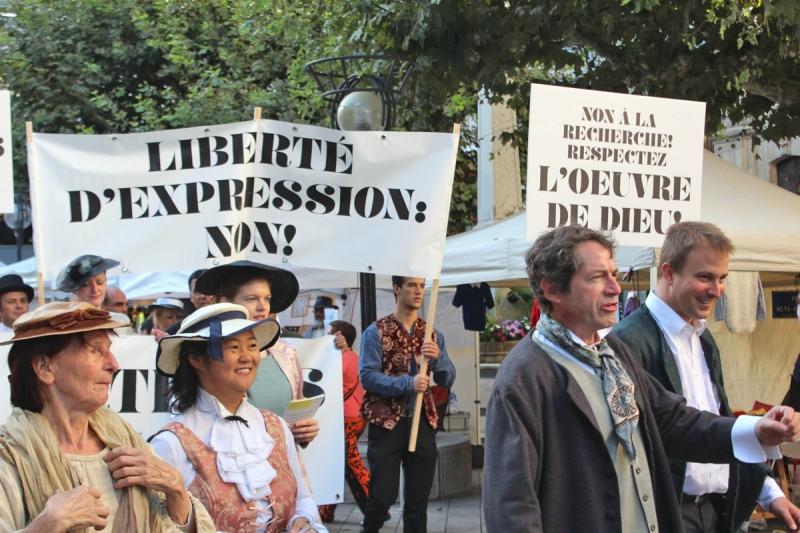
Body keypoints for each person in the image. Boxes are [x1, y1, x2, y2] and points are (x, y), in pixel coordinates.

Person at [483, 224, 800, 533]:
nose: (615, 288)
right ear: (552, 289)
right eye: (597, 277)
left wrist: (755, 430)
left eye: (614, 274)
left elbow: (672, 420)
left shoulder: (612, 352)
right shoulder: (526, 374)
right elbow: (512, 502)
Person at [614, 221, 800, 532]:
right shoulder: (629, 341)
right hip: (666, 514)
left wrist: (770, 493)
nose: (716, 290)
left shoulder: (702, 337)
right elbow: (664, 431)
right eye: (705, 277)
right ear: (668, 273)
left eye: (722, 279)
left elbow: (718, 417)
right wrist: (754, 428)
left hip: (715, 511)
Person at [0, 301, 214, 532]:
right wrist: (47, 525)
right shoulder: (10, 458)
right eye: (95, 350)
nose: (113, 364)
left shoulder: (126, 443)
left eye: (109, 350)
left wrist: (177, 492)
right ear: (45, 368)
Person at [150, 303, 327, 533]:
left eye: (252, 346)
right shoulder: (172, 444)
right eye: (233, 347)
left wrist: (302, 521)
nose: (246, 357)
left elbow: (304, 497)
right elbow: (161, 524)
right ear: (197, 360)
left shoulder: (274, 426)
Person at [359, 276, 456, 533]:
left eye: (422, 286)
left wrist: (437, 361)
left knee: (417, 502)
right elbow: (368, 377)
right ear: (396, 288)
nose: (418, 291)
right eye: (412, 285)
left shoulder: (431, 333)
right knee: (381, 496)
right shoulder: (376, 332)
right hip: (387, 424)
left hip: (422, 422)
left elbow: (448, 378)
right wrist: (407, 384)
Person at [195, 260, 319, 446]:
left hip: (283, 468)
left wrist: (304, 431)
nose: (263, 306)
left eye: (267, 298)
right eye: (251, 299)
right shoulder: (206, 356)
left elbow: (296, 414)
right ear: (225, 303)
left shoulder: (286, 354)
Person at [318, 320, 369, 523]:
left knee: (352, 465)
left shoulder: (340, 360)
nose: (327, 336)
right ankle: (325, 512)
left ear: (339, 335)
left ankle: (376, 507)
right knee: (339, 465)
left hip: (345, 419)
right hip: (356, 417)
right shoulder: (355, 358)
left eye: (330, 333)